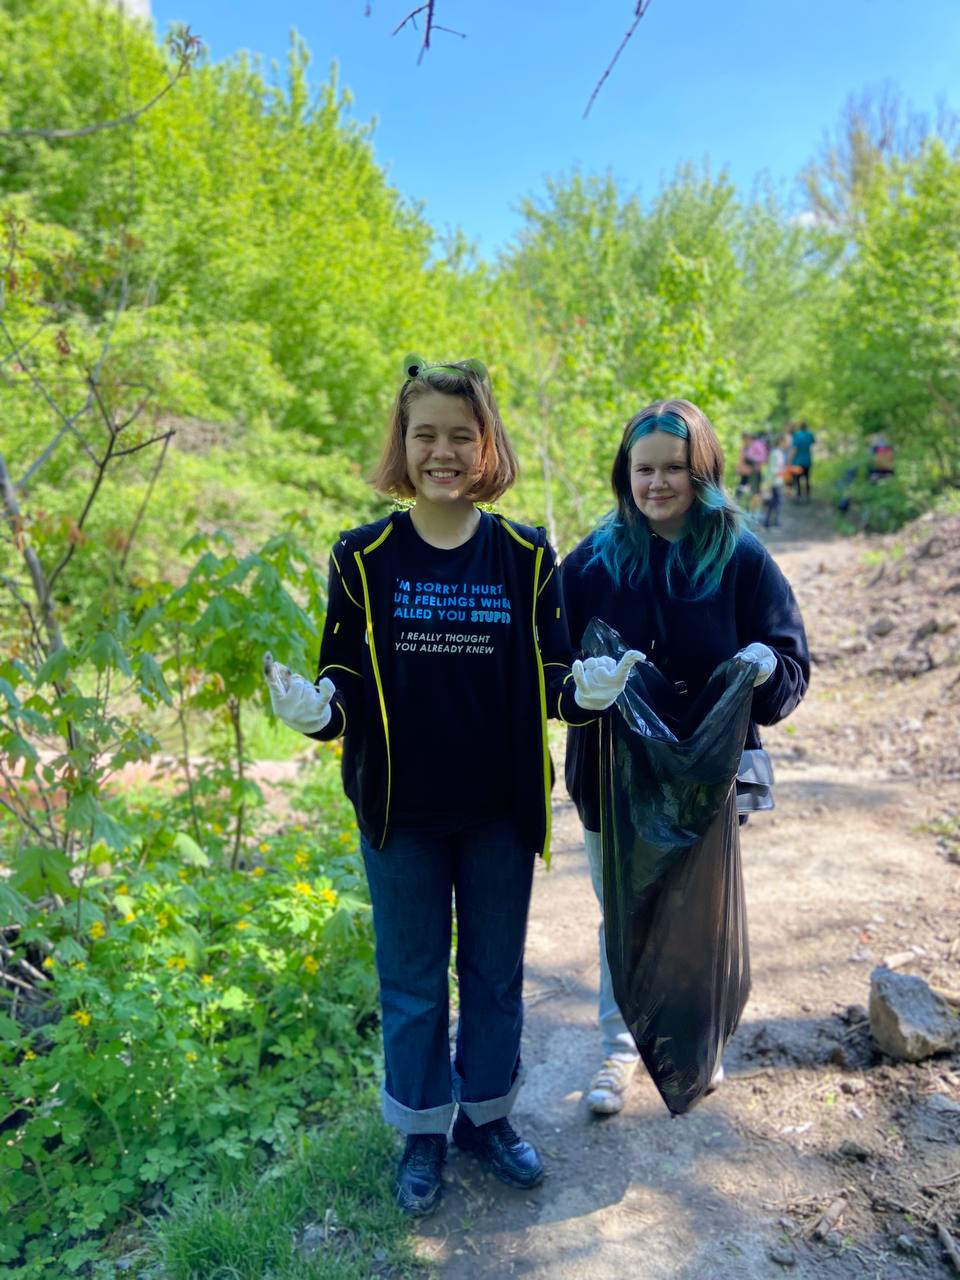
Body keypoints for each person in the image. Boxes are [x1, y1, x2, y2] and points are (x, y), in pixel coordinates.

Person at [263, 356, 637, 1214]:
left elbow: (553, 676)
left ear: (486, 446)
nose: (442, 451)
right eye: (424, 434)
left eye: (460, 436)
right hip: (401, 813)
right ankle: (424, 1131)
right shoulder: (363, 556)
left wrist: (583, 692)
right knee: (412, 983)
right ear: (402, 444)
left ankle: (489, 1119)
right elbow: (341, 678)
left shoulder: (526, 554)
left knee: (496, 978)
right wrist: (315, 711)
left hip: (500, 810)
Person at [560, 399, 810, 1117]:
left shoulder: (741, 558)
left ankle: (696, 1044)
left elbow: (792, 664)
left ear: (703, 472)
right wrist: (581, 689)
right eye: (644, 469)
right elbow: (547, 668)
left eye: (674, 468)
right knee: (624, 910)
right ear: (625, 474)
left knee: (698, 914)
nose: (658, 483)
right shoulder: (592, 562)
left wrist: (767, 669)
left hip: (705, 783)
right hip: (611, 781)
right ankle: (619, 1052)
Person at [763, 430, 789, 529]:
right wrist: (787, 471)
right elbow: (773, 470)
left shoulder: (780, 452)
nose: (788, 444)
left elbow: (780, 467)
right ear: (781, 441)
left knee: (775, 501)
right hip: (774, 482)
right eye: (787, 441)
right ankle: (772, 522)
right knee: (776, 502)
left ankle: (770, 521)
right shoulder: (775, 453)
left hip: (778, 481)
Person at [788, 421, 816, 501]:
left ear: (800, 427)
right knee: (807, 478)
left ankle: (799, 496)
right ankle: (807, 495)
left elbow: (794, 449)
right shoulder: (810, 435)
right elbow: (813, 444)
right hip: (807, 460)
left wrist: (789, 460)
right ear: (806, 427)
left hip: (797, 462)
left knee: (797, 479)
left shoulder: (797, 436)